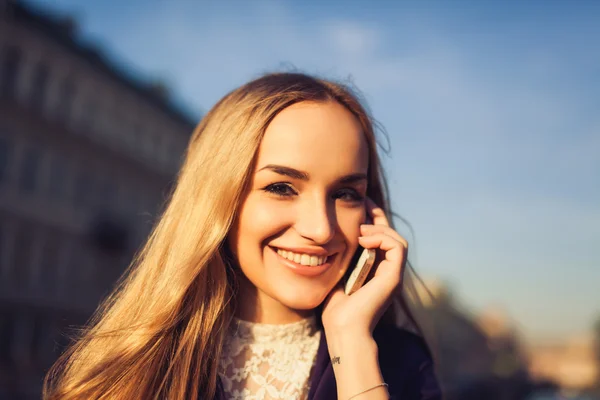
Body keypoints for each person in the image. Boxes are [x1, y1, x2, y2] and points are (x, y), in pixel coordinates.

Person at [44, 73, 442, 400]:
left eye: (345, 194)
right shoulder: (130, 368)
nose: (320, 229)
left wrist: (352, 346)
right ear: (219, 198)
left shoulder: (400, 366)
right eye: (282, 187)